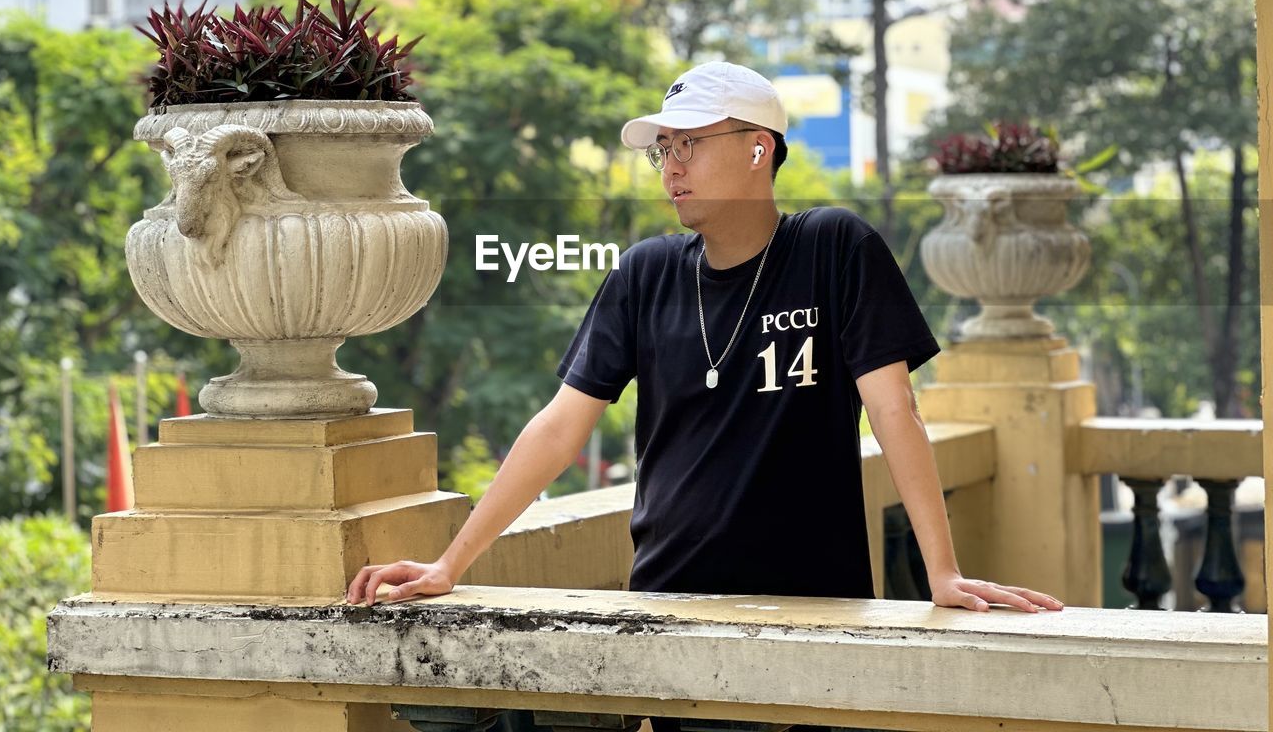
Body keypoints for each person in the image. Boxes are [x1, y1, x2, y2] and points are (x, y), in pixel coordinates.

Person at [347, 61, 1064, 619]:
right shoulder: (645, 273)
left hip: (817, 608)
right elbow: (560, 428)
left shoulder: (834, 249)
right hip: (669, 606)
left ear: (759, 150)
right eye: (663, 149)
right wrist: (449, 566)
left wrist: (942, 574)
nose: (672, 167)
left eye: (690, 143)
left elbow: (895, 412)